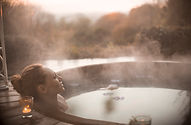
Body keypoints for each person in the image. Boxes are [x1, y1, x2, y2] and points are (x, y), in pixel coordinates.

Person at [11, 64, 126, 125]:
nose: (60, 78)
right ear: (42, 88)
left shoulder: (58, 100)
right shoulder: (47, 119)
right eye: (55, 77)